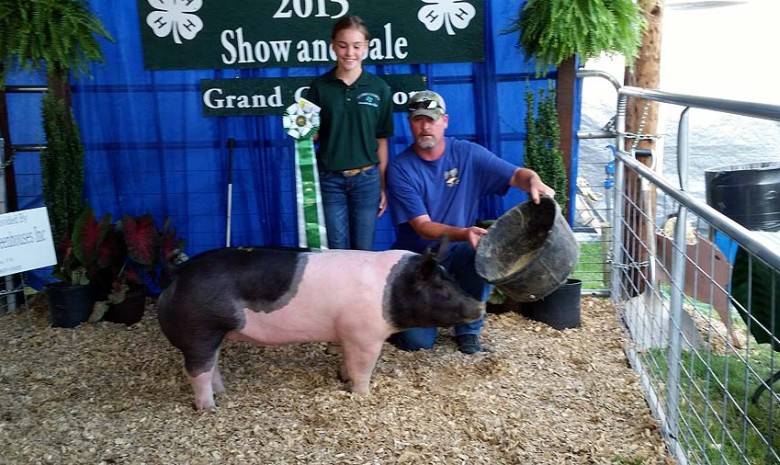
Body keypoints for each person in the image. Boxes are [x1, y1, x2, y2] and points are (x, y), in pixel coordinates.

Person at [386, 90, 555, 354]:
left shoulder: (467, 153)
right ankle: (410, 323)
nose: (425, 126)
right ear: (410, 123)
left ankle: (469, 329)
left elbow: (514, 175)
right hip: (419, 263)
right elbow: (422, 226)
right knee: (417, 344)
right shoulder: (400, 167)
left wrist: (532, 179)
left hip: (459, 253)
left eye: (431, 119)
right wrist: (464, 232)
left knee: (480, 250)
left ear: (445, 121)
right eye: (418, 120)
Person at [306, 15, 394, 251]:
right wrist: (302, 131)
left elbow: (381, 140)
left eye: (356, 46)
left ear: (366, 47)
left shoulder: (379, 88)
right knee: (336, 252)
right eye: (343, 45)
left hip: (367, 181)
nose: (349, 53)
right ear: (333, 45)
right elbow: (312, 135)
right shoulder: (319, 87)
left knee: (363, 251)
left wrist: (383, 185)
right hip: (330, 180)